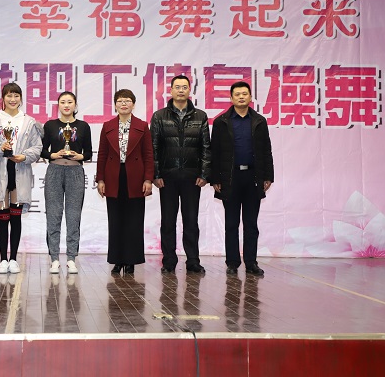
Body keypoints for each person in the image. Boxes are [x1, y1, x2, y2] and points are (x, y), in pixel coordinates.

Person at [210, 81, 274, 276]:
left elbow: (266, 150)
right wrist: (215, 178)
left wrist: (268, 176)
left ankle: (251, 262)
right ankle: (232, 263)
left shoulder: (259, 121)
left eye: (244, 94)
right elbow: (214, 152)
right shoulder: (221, 122)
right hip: (230, 178)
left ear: (250, 97)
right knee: (231, 224)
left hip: (253, 177)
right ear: (231, 98)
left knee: (251, 224)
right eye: (237, 94)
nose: (241, 97)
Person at [0, 82, 43, 275]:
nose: (13, 99)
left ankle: (13, 258)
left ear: (21, 98)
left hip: (19, 170)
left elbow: (37, 147)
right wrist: (0, 147)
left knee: (16, 217)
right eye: (9, 95)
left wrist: (25, 156)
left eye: (16, 96)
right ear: (3, 98)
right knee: (2, 216)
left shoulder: (29, 122)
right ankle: (2, 259)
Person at [150, 75, 211, 274]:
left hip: (192, 177)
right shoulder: (159, 116)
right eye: (177, 87)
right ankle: (169, 261)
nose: (181, 90)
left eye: (184, 87)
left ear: (189, 90)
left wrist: (204, 173)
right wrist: (156, 174)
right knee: (168, 221)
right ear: (171, 90)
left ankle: (193, 260)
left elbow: (206, 147)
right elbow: (154, 147)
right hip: (167, 177)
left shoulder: (200, 116)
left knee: (191, 220)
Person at [96, 89, 154, 275]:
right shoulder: (107, 126)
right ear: (115, 105)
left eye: (127, 100)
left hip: (135, 176)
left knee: (134, 221)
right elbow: (102, 154)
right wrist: (100, 179)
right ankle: (117, 260)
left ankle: (131, 261)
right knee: (115, 220)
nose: (123, 104)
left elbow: (148, 154)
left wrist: (148, 179)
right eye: (120, 101)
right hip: (113, 175)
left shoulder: (142, 126)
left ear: (133, 105)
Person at [41, 91, 92, 274]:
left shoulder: (83, 126)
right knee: (53, 215)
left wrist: (80, 156)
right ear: (58, 105)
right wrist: (53, 155)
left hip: (75, 172)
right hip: (54, 171)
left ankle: (71, 258)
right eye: (63, 102)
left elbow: (89, 152)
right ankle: (54, 258)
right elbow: (42, 150)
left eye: (70, 102)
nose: (66, 105)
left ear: (75, 105)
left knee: (73, 216)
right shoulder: (50, 125)